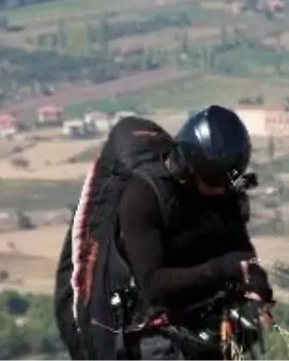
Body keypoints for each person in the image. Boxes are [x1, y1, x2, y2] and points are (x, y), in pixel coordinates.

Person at [55, 105, 275, 361]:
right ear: (191, 170)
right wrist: (222, 270)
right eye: (216, 183)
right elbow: (154, 285)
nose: (222, 191)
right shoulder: (142, 196)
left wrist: (256, 287)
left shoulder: (221, 189)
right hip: (132, 318)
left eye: (228, 184)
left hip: (186, 312)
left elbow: (241, 251)